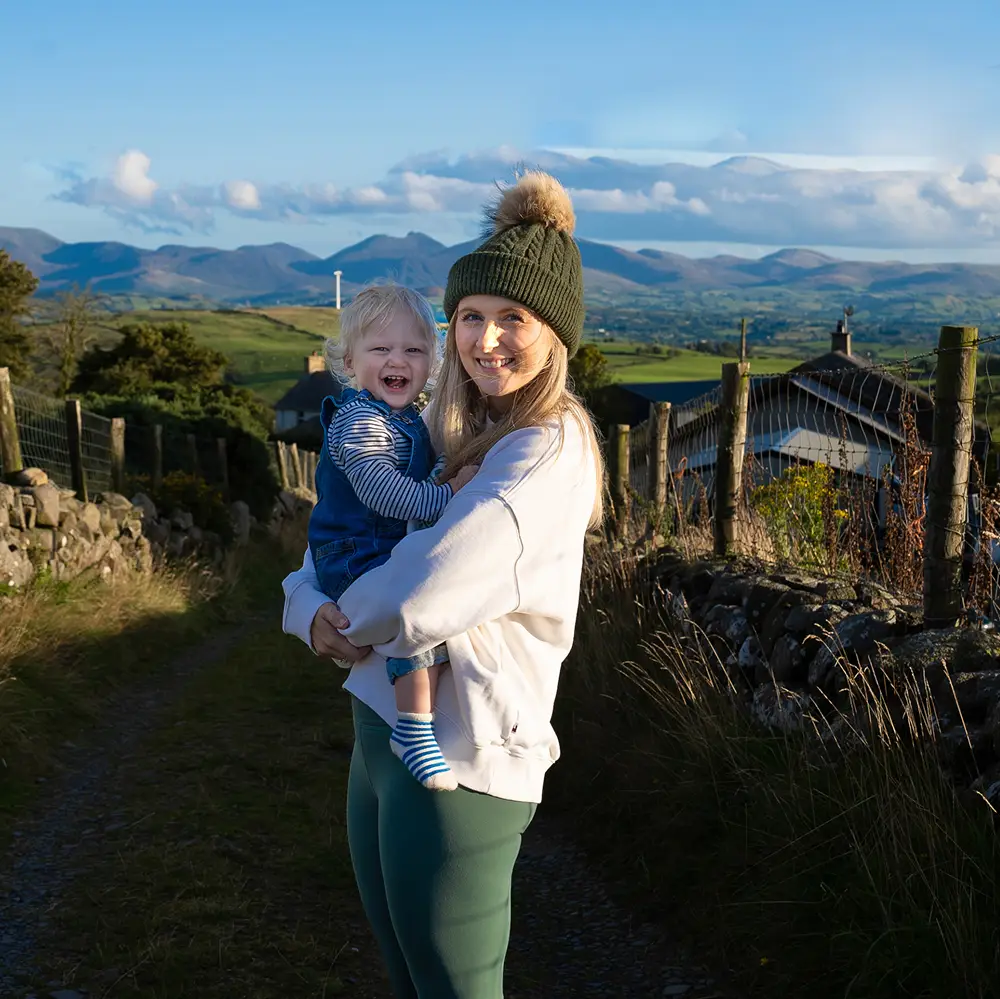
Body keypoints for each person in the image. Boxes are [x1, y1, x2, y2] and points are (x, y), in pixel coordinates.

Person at [282, 170, 605, 999]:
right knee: (404, 964)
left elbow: (423, 591)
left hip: (460, 759)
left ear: (554, 334)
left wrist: (337, 615)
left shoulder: (544, 451)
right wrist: (306, 606)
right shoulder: (450, 425)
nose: (485, 340)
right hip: (379, 723)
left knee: (455, 985)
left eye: (512, 320)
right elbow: (348, 525)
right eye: (469, 318)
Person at [307, 284, 478, 792]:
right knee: (414, 611)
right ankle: (414, 729)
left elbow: (415, 477)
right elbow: (385, 493)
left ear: (432, 362)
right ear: (348, 361)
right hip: (353, 553)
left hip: (374, 547)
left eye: (414, 349)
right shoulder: (361, 420)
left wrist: (444, 469)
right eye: (380, 349)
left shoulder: (403, 420)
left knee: (418, 610)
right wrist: (446, 496)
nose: (397, 359)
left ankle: (413, 724)